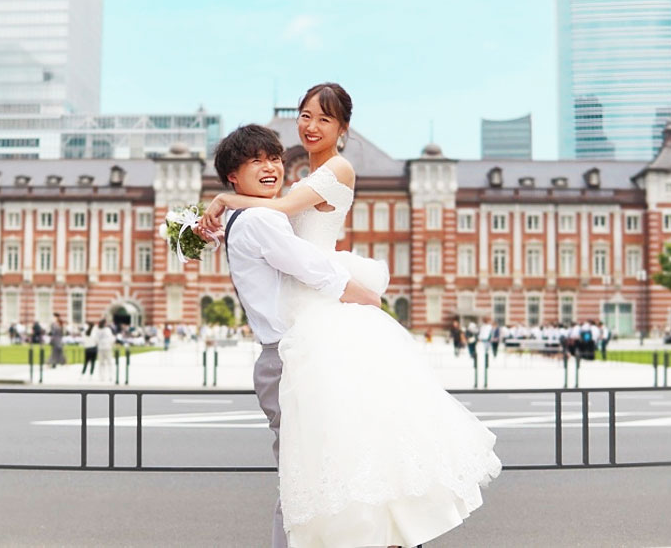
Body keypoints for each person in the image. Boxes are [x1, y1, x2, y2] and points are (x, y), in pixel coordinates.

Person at [202, 85, 500, 548]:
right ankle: (383, 535)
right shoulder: (288, 189)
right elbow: (277, 227)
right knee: (340, 450)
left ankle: (388, 534)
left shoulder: (333, 170)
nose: (310, 126)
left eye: (324, 119)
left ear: (343, 128)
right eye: (305, 116)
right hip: (309, 321)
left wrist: (223, 201)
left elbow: (281, 215)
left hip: (321, 319)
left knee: (342, 448)